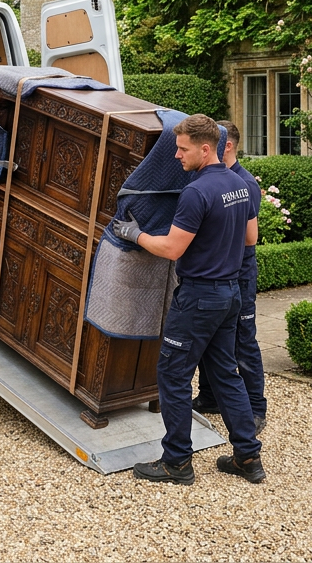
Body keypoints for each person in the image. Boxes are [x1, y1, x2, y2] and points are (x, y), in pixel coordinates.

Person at [112, 114, 265, 485]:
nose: (177, 156)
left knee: (173, 373)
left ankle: (177, 462)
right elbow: (249, 239)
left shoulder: (196, 192)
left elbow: (171, 247)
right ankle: (248, 457)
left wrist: (135, 235)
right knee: (225, 373)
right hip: (231, 294)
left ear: (205, 148)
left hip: (199, 298)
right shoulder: (240, 185)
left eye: (182, 149)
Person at [191, 121, 266, 436]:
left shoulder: (244, 184)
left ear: (227, 146)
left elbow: (250, 239)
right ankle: (210, 396)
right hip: (222, 273)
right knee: (213, 339)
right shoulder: (211, 179)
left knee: (243, 339)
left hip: (239, 273)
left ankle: (255, 408)